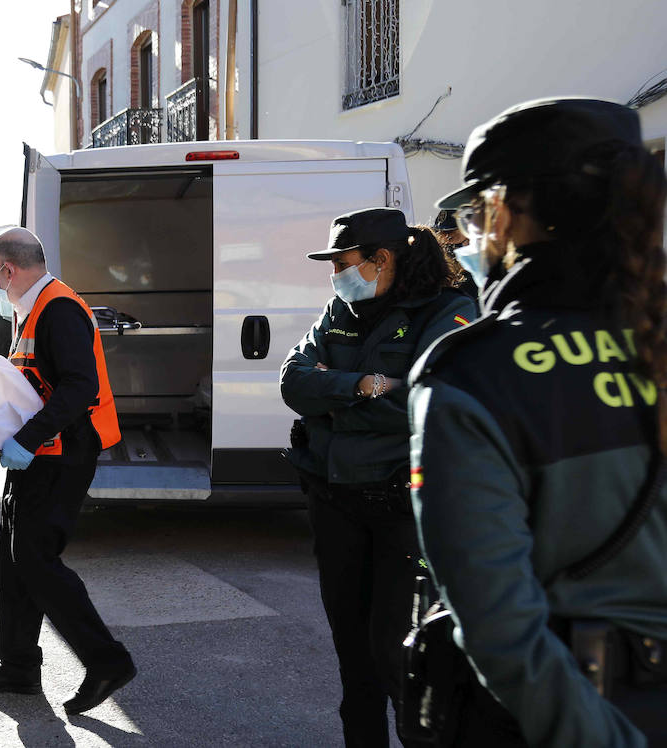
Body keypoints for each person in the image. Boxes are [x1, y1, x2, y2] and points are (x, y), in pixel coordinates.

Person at [410, 97, 667, 746]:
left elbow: (500, 626)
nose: (470, 234)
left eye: (473, 213)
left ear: (507, 210)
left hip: (561, 719)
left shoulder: (475, 373)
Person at [280, 207, 476, 746]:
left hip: (402, 505)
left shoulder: (449, 311)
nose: (334, 275)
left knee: (398, 652)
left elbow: (429, 400)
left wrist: (336, 393)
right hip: (334, 496)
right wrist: (367, 385)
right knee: (352, 652)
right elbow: (294, 382)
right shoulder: (340, 307)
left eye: (341, 262)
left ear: (381, 259)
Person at [0, 227, 135, 715]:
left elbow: (80, 387)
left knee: (36, 560)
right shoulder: (34, 309)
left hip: (64, 451)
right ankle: (18, 666)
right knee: (13, 557)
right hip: (40, 452)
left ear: (8, 270)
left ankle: (107, 661)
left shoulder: (58, 308)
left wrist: (26, 440)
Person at [432, 209, 479, 298]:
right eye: (441, 238)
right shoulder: (440, 276)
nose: (446, 243)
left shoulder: (479, 276)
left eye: (451, 237)